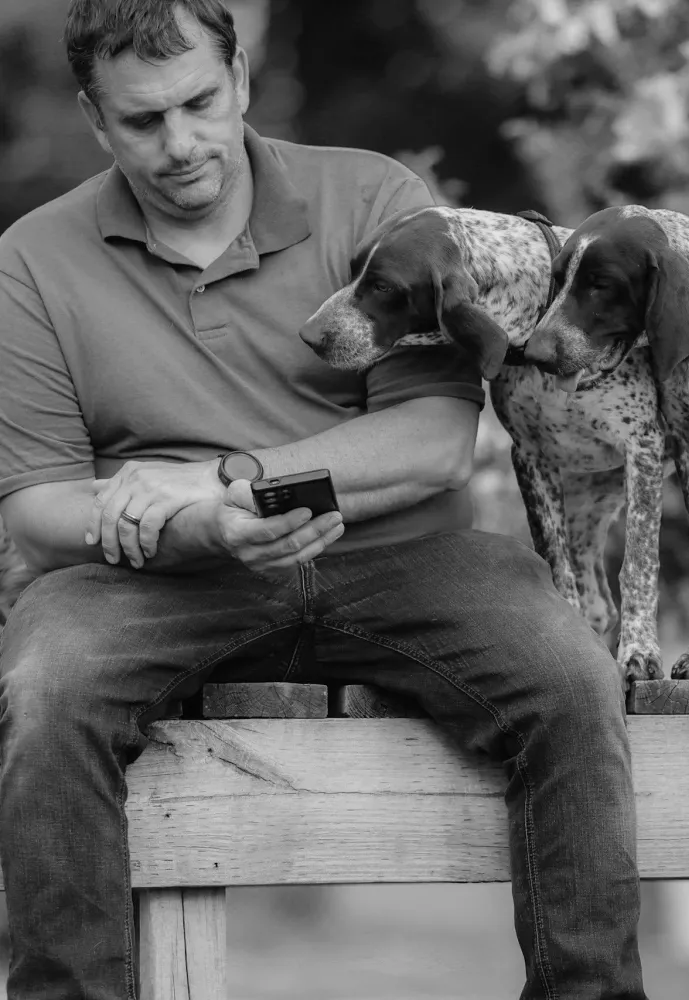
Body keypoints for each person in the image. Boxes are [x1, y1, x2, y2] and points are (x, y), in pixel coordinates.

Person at [0, 3, 647, 998]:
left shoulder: (374, 196)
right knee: (45, 689)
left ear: (242, 79)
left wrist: (231, 481)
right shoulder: (32, 260)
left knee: (571, 676)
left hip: (400, 558)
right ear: (95, 119)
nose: (180, 144)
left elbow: (432, 446)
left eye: (200, 103)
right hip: (159, 576)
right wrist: (194, 524)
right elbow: (39, 514)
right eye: (141, 122)